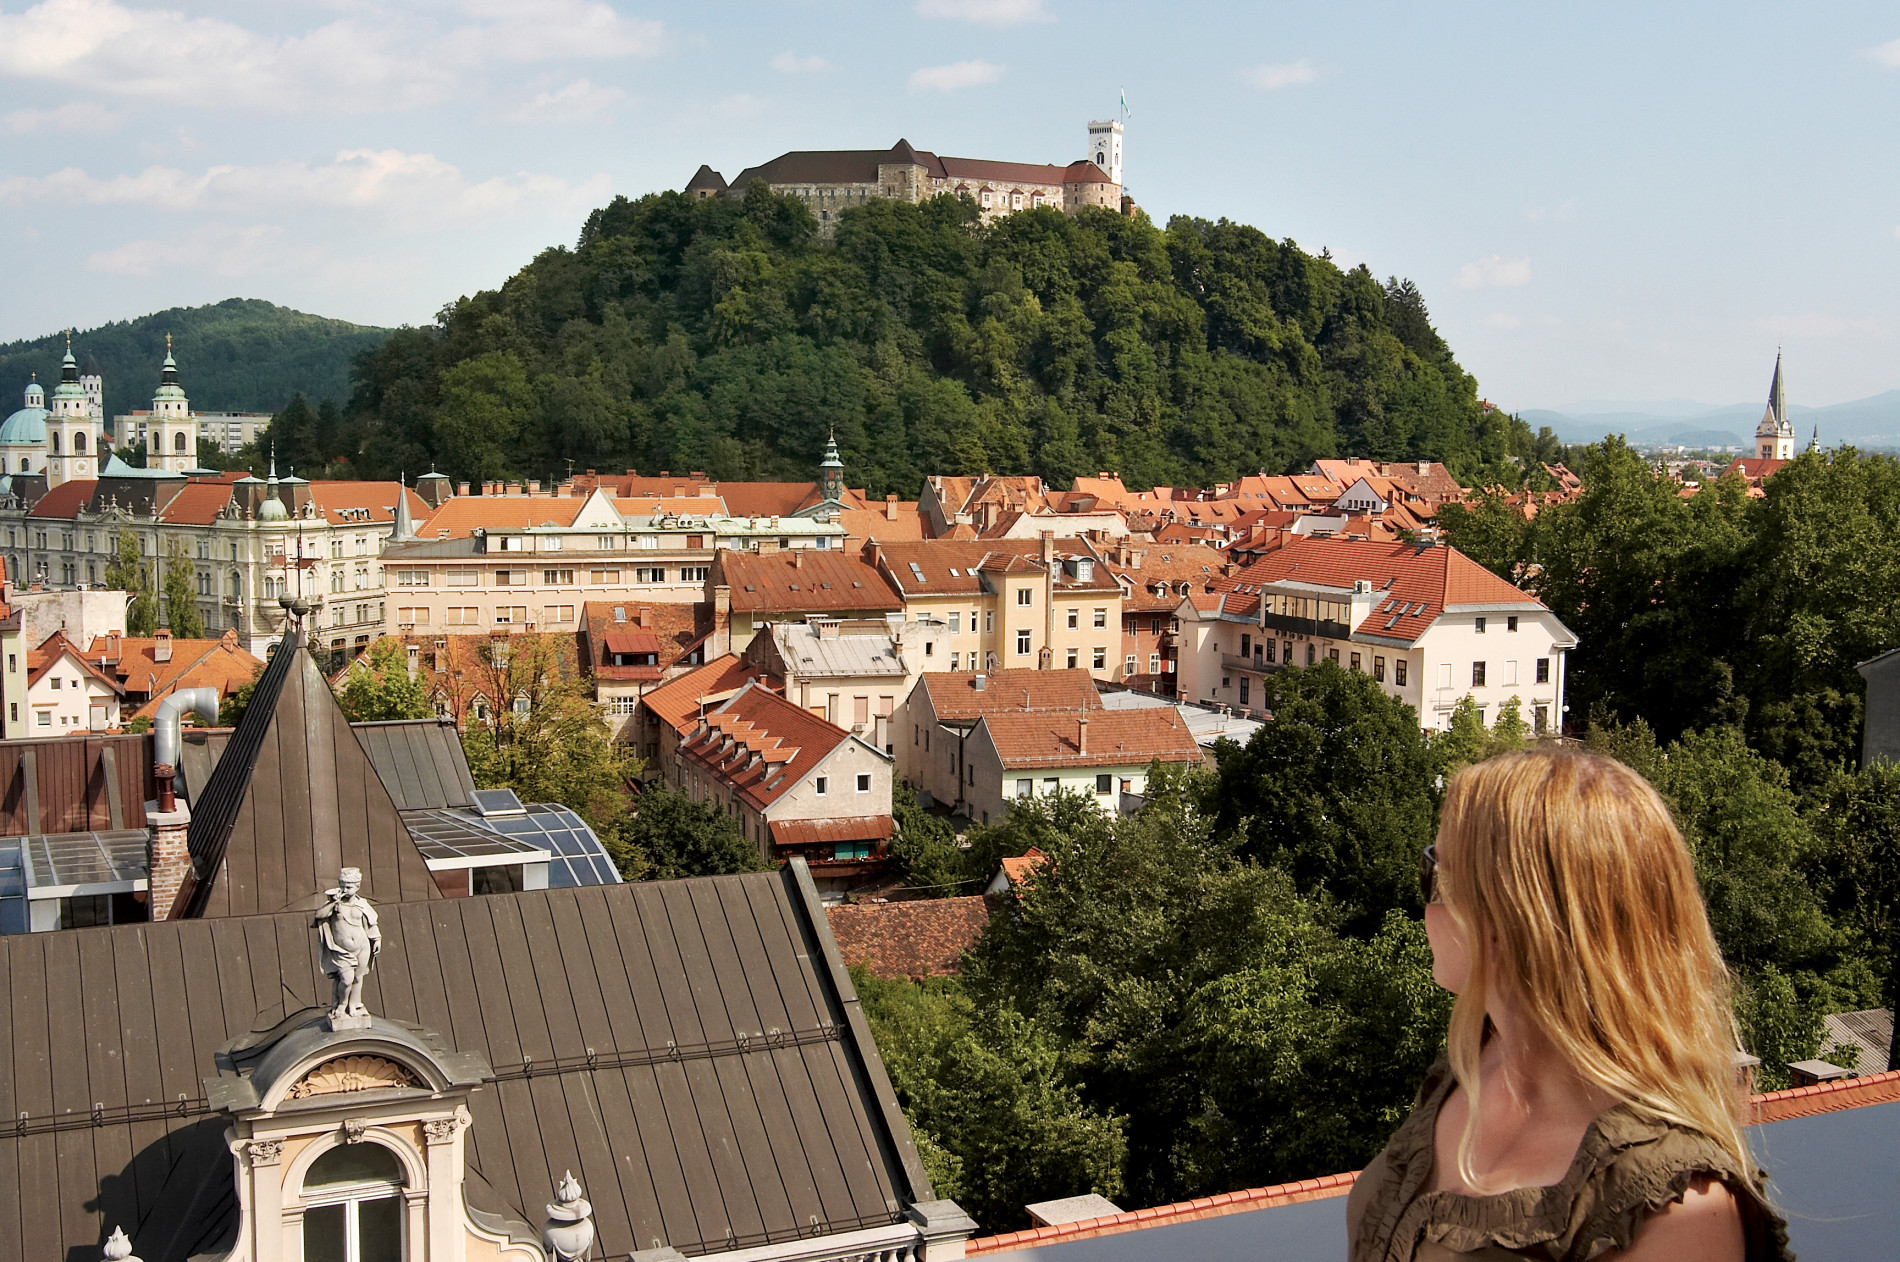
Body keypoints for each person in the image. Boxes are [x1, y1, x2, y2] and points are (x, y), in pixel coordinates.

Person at [1347, 749, 1790, 1261]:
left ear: (1517, 918)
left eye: (1438, 876)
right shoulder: (1472, 1066)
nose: (1426, 903)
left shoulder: (1678, 1209)